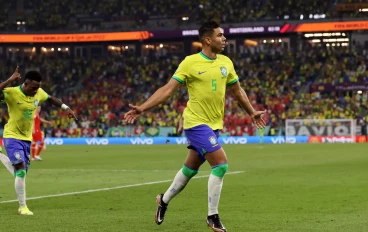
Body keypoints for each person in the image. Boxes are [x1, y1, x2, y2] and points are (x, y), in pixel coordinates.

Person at [125, 21, 266, 232]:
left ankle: (163, 200)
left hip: (213, 125)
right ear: (207, 40)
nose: (224, 39)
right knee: (221, 165)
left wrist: (251, 111)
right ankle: (212, 217)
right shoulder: (190, 63)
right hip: (195, 123)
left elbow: (237, 91)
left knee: (190, 169)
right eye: (220, 35)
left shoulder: (226, 62)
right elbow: (168, 89)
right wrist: (142, 108)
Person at [0, 67, 77, 215]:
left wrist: (66, 108)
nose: (36, 91)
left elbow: (51, 99)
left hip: (26, 139)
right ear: (26, 84)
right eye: (34, 87)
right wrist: (9, 80)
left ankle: (0, 156)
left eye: (38, 88)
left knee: (20, 172)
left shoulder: (38, 93)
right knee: (21, 171)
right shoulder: (12, 93)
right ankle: (22, 207)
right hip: (12, 136)